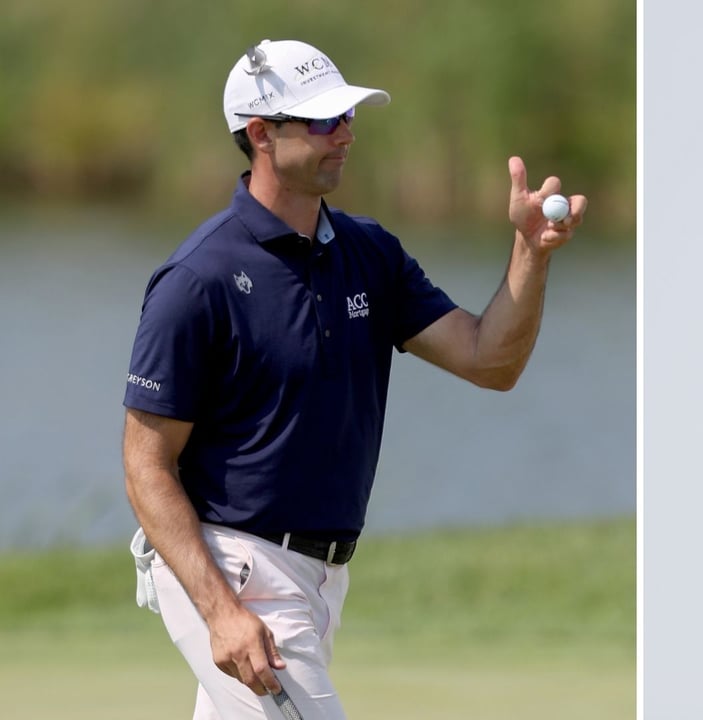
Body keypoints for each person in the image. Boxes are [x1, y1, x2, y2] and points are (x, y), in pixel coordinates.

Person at [122, 38, 586, 719]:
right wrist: (221, 611)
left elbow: (490, 361)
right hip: (236, 571)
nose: (344, 134)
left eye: (347, 118)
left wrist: (530, 254)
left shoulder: (370, 253)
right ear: (260, 134)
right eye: (321, 121)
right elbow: (145, 467)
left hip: (319, 579)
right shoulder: (199, 279)